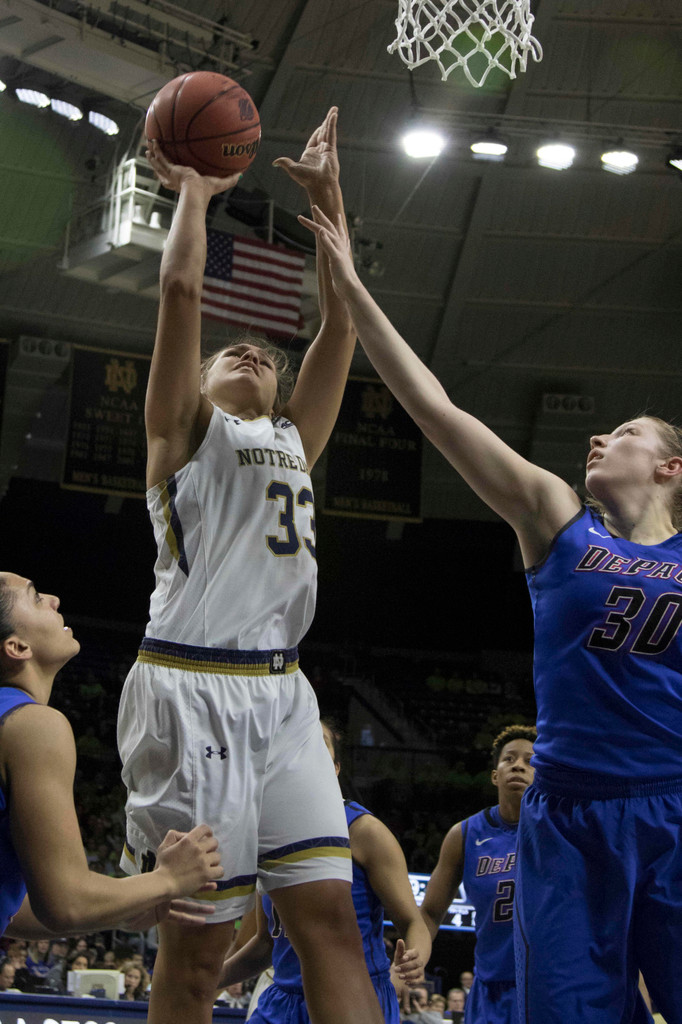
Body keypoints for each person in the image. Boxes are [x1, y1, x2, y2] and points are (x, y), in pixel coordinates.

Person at [298, 206, 682, 1023]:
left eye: (623, 432)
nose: (595, 440)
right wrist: (352, 282)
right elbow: (435, 409)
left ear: (671, 465)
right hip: (572, 819)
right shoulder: (556, 518)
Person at [116, 107, 386, 1024]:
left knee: (330, 926)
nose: (254, 355)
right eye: (237, 353)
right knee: (197, 958)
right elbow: (183, 296)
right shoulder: (182, 434)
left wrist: (331, 198)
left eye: (269, 359)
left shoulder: (292, 440)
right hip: (192, 692)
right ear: (195, 386)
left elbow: (340, 328)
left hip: (286, 699)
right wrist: (194, 190)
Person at [0, 572, 224, 942]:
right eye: (36, 597)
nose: (54, 599)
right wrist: (167, 879)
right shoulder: (32, 726)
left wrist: (118, 909)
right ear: (17, 647)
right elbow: (65, 904)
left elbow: (14, 909)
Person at [217, 719, 431, 1024]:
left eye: (318, 743)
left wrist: (416, 956)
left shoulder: (365, 832)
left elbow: (413, 922)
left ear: (335, 768)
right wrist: (205, 979)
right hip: (283, 999)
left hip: (356, 995)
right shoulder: (265, 832)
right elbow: (266, 944)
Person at [421, 726, 537, 1024]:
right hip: (491, 991)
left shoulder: (563, 830)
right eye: (509, 759)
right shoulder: (465, 834)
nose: (519, 765)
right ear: (495, 775)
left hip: (548, 987)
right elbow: (431, 912)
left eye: (530, 760)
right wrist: (412, 958)